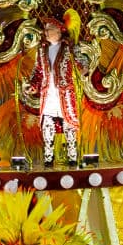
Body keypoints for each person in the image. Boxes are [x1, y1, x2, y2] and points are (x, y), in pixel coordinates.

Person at [26, 11, 82, 168]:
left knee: (69, 126)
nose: (46, 32)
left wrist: (80, 69)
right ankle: (48, 158)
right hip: (48, 93)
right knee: (47, 125)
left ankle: (73, 157)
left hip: (65, 94)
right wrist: (32, 86)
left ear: (59, 30)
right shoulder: (42, 50)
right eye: (45, 29)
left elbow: (82, 64)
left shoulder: (69, 48)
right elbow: (38, 71)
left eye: (49, 28)